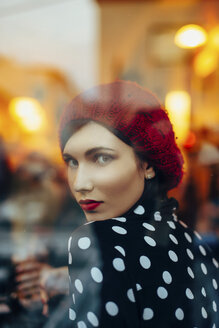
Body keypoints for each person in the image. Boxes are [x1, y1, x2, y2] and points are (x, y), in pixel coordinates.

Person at [57, 80, 219, 327]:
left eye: (101, 158)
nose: (80, 183)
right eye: (72, 161)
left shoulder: (99, 240)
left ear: (148, 164)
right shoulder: (184, 240)